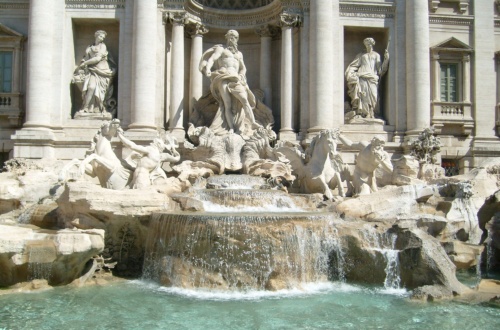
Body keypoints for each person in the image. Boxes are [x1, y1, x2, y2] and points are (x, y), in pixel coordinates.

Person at [199, 30, 261, 135]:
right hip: (223, 76)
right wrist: (208, 68)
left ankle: (253, 122)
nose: (233, 39)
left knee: (244, 100)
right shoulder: (221, 49)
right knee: (226, 104)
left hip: (236, 78)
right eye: (231, 36)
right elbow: (212, 59)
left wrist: (241, 75)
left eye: (235, 37)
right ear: (226, 37)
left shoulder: (239, 54)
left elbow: (243, 68)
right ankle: (231, 128)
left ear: (237, 39)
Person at [345, 37, 389, 119]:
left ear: (372, 44)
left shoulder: (376, 55)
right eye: (366, 44)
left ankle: (372, 113)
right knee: (363, 96)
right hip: (362, 77)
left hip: (372, 78)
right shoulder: (361, 55)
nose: (368, 45)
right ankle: (364, 114)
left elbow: (380, 70)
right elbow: (353, 66)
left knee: (374, 96)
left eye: (369, 44)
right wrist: (350, 74)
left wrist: (386, 60)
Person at [76, 30, 116, 114]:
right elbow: (86, 58)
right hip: (91, 70)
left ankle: (95, 108)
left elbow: (97, 58)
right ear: (96, 36)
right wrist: (83, 63)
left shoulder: (103, 46)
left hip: (102, 71)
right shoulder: (89, 47)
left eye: (103, 37)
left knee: (97, 91)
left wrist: (86, 63)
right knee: (91, 87)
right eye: (101, 36)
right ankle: (85, 107)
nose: (102, 38)